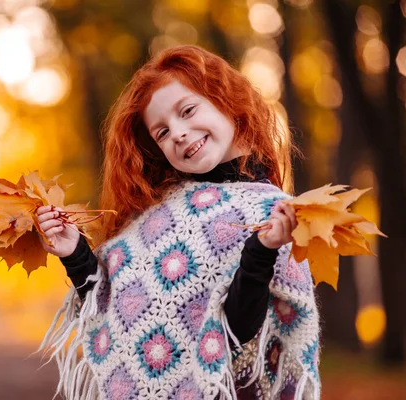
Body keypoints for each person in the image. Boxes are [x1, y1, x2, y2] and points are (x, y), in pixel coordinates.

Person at [36, 45, 320, 400]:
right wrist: (75, 253)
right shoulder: (156, 222)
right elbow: (112, 308)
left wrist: (262, 250)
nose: (179, 133)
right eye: (162, 133)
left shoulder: (276, 214)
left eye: (187, 110)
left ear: (225, 99)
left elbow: (237, 331)